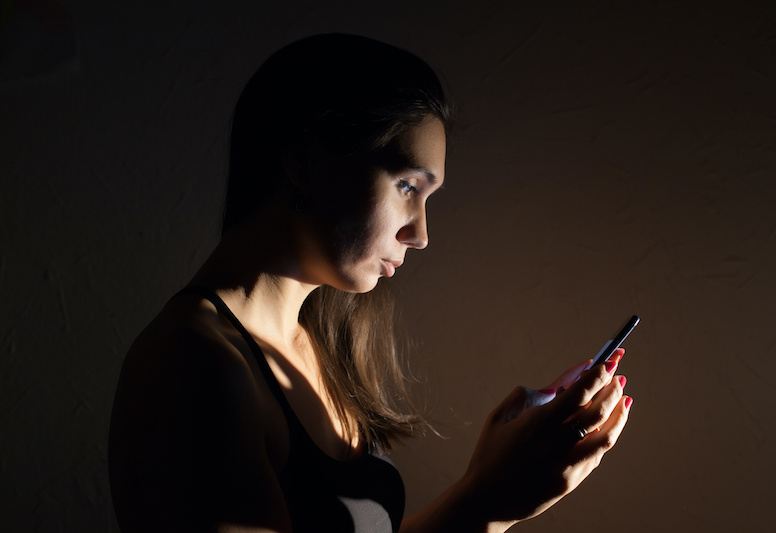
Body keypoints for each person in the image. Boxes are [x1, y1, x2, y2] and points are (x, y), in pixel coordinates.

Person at [108, 33, 632, 533]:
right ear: (305, 162)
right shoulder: (190, 365)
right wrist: (486, 499)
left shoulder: (313, 344)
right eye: (406, 185)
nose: (421, 234)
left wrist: (495, 491)